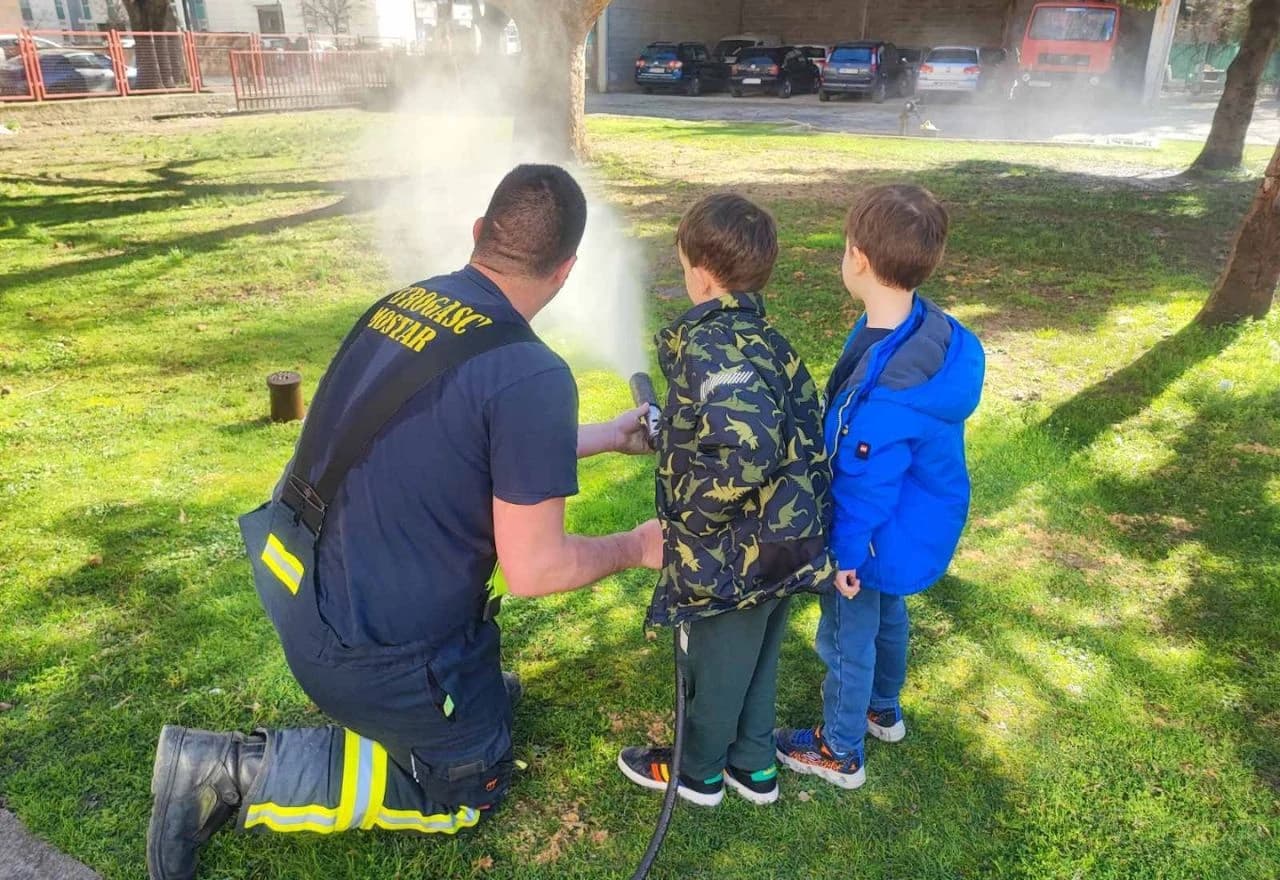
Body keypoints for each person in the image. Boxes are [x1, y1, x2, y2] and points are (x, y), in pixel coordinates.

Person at [145, 164, 663, 880]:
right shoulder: (531, 373)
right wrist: (638, 546)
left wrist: (604, 433)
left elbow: (459, 436)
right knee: (469, 784)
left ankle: (452, 705)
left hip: (297, 579)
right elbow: (537, 569)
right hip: (364, 648)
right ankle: (229, 771)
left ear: (479, 233)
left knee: (489, 710)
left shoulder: (407, 303)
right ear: (567, 270)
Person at [616, 193, 836, 807]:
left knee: (714, 662)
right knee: (759, 656)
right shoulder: (769, 339)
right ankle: (755, 766)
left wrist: (693, 515)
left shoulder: (710, 345)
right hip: (789, 540)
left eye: (683, 262)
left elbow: (751, 448)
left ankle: (700, 772)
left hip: (735, 549)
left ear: (701, 274)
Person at [775, 184, 985, 789]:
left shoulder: (887, 393)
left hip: (874, 537)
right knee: (890, 612)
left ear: (857, 259)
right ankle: (882, 709)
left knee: (846, 635)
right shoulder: (923, 331)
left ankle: (840, 749)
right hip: (910, 528)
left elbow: (867, 483)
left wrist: (843, 553)